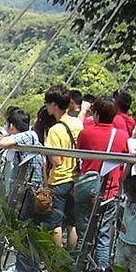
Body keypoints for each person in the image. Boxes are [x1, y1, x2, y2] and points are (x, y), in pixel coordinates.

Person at [0, 106, 55, 272]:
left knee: (27, 232)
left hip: (30, 192)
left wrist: (2, 137)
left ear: (11, 125)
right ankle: (22, 269)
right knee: (21, 231)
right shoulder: (25, 137)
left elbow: (1, 144)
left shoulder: (29, 136)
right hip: (23, 191)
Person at [74, 96, 130, 272]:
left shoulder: (86, 133)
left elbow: (79, 154)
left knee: (84, 231)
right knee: (104, 234)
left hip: (88, 187)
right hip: (110, 190)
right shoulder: (122, 136)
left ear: (96, 114)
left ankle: (81, 270)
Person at [43, 85, 83, 249]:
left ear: (53, 105)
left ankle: (55, 260)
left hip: (59, 180)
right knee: (71, 223)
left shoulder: (55, 130)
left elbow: (56, 161)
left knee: (55, 223)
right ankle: (70, 256)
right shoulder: (78, 124)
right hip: (75, 179)